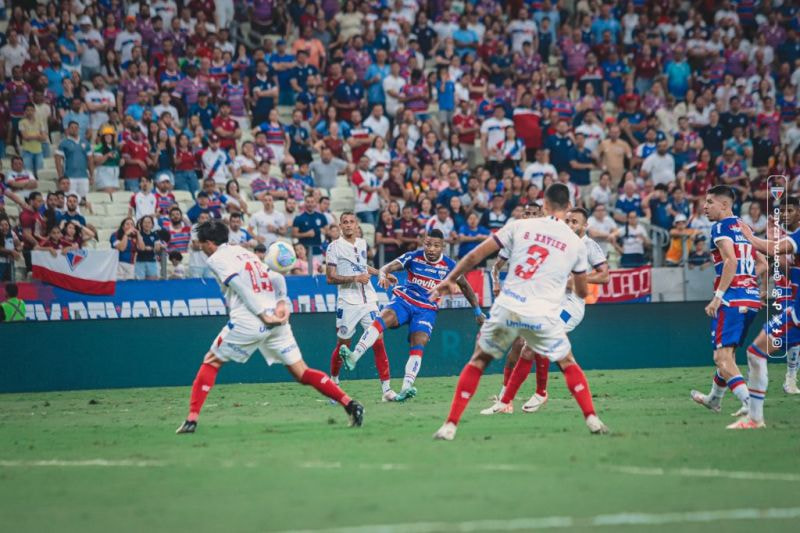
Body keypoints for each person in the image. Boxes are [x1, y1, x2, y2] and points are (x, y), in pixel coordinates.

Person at [430, 184, 609, 441]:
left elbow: (475, 254)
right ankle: (591, 418)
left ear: (543, 206)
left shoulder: (519, 226)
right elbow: (582, 291)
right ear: (567, 207)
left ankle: (450, 425)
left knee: (479, 361)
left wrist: (451, 278)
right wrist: (569, 281)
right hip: (543, 312)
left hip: (510, 306)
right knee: (567, 361)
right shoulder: (575, 243)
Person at [175, 219, 364, 434]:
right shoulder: (243, 252)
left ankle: (191, 419)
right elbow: (275, 277)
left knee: (211, 362)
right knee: (302, 372)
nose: (200, 248)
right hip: (277, 318)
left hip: (251, 318)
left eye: (201, 244)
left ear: (209, 243)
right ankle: (350, 404)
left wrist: (262, 314)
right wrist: (283, 301)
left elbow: (238, 285)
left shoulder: (216, 258)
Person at [483, 206, 609, 415]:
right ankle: (540, 393)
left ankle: (509, 400)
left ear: (585, 226)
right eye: (567, 221)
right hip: (548, 303)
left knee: (530, 346)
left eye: (575, 222)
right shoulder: (560, 244)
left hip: (570, 306)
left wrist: (577, 279)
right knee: (537, 346)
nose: (570, 225)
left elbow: (604, 276)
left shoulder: (588, 246)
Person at [338, 229, 484, 402]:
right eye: (428, 244)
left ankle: (406, 388)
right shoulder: (413, 257)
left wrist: (477, 312)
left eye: (436, 245)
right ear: (423, 243)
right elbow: (387, 267)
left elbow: (466, 288)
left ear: (442, 247)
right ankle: (354, 356)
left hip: (426, 309)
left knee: (418, 343)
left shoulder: (450, 266)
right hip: (405, 301)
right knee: (382, 318)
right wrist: (383, 275)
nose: (431, 249)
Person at [690, 186, 766, 429]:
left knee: (721, 357)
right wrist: (750, 285)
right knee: (728, 355)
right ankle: (714, 399)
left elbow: (731, 261)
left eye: (710, 202)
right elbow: (763, 263)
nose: (705, 206)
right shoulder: (745, 227)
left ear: (724, 205)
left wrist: (718, 297)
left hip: (732, 299)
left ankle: (748, 404)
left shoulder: (720, 227)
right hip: (751, 299)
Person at [326, 212, 396, 400]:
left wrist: (382, 274)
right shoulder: (334, 247)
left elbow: (363, 267)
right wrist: (355, 278)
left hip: (369, 300)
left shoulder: (362, 243)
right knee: (343, 345)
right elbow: (330, 277)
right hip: (348, 301)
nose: (348, 225)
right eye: (345, 222)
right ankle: (334, 381)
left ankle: (387, 390)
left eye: (351, 222)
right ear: (340, 226)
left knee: (378, 340)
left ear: (357, 225)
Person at [135, 215, 162, 280]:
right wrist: (147, 248)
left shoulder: (155, 235)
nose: (147, 224)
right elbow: (140, 247)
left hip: (152, 261)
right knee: (140, 283)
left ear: (152, 225)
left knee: (152, 283)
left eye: (149, 222)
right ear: (141, 224)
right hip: (139, 261)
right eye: (145, 222)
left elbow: (157, 248)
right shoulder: (138, 234)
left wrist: (150, 248)